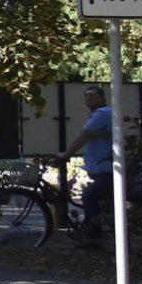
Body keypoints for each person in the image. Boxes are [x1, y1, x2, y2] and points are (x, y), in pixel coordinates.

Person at [55, 85, 113, 246]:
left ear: (102, 98)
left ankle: (93, 238)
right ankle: (95, 234)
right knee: (99, 201)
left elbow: (84, 136)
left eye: (92, 95)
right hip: (102, 169)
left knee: (89, 196)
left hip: (108, 170)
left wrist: (66, 154)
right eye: (86, 95)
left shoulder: (102, 113)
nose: (88, 98)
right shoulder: (96, 114)